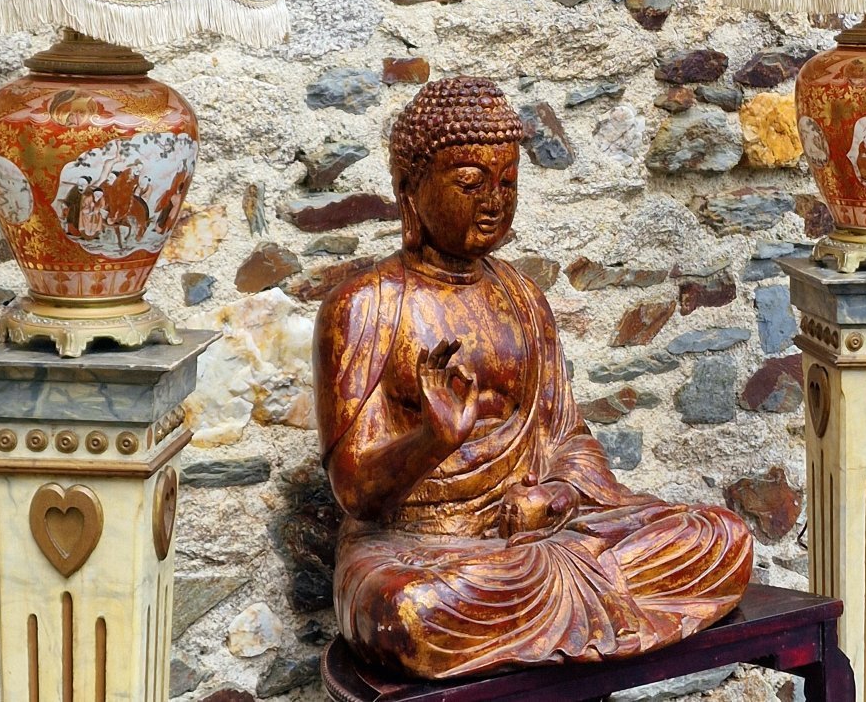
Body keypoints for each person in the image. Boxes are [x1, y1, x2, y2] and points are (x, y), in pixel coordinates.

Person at [314, 76, 752, 679]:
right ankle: (579, 599)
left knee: (720, 537)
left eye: (508, 182)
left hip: (540, 535)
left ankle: (563, 600)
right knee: (405, 613)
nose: (493, 201)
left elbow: (567, 436)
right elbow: (355, 492)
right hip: (422, 544)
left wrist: (558, 495)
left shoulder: (522, 297)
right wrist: (431, 441)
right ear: (410, 189)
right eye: (471, 183)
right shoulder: (365, 306)